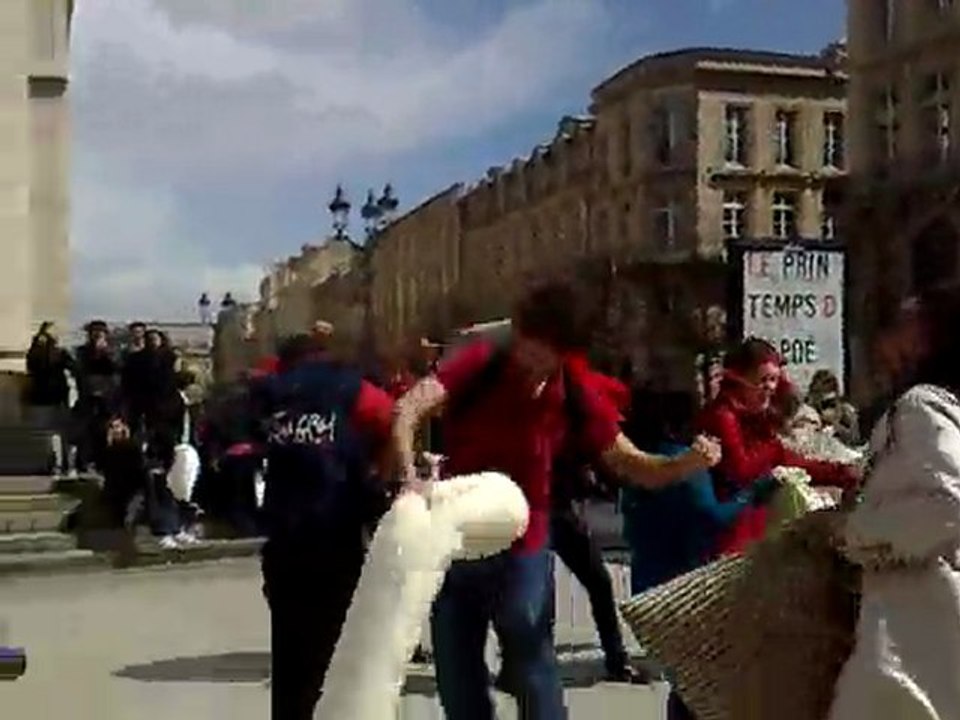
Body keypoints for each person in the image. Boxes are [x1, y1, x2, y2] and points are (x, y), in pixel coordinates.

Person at [391, 281, 721, 720]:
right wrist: (409, 476)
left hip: (524, 541)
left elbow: (631, 462)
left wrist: (688, 465)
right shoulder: (484, 362)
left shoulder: (575, 389)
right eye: (531, 346)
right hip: (457, 536)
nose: (535, 360)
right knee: (457, 669)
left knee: (530, 651)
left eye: (550, 352)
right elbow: (408, 409)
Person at [828, 283, 960, 720]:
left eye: (902, 325)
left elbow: (946, 504)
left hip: (917, 644)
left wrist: (857, 531)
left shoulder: (922, 406)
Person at [253, 333, 394, 720]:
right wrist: (377, 474)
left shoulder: (269, 391)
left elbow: (239, 438)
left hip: (284, 539)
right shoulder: (349, 387)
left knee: (289, 654)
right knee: (337, 648)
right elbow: (391, 420)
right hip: (338, 532)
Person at [697, 338, 859, 556]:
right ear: (740, 380)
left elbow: (789, 460)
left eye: (774, 380)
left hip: (752, 526)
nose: (770, 388)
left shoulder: (756, 418)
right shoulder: (723, 417)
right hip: (727, 531)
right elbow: (741, 470)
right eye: (762, 380)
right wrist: (773, 450)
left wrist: (840, 473)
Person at [25, 322, 74, 475]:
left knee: (63, 434)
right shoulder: (37, 352)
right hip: (43, 398)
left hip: (56, 398)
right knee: (45, 434)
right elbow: (32, 365)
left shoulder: (60, 353)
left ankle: (66, 465)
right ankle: (50, 464)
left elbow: (74, 368)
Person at [73, 321, 120, 472]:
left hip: (106, 397)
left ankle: (103, 462)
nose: (97, 336)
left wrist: (105, 352)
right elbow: (80, 369)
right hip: (88, 396)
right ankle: (83, 462)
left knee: (104, 431)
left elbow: (116, 369)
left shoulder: (113, 351)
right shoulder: (82, 351)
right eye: (94, 333)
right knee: (86, 431)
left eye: (100, 333)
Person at [807, 369, 860, 447]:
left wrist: (836, 425)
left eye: (831, 404)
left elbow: (855, 439)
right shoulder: (810, 415)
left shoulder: (847, 412)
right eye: (825, 404)